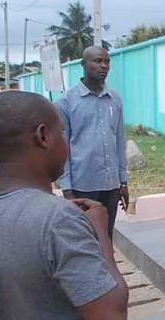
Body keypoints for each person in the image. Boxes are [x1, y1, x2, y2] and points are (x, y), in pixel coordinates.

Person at [0, 91, 129, 319]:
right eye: (63, 132)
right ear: (43, 136)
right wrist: (100, 233)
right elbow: (112, 314)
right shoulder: (59, 220)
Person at [58, 46, 128, 239]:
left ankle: (107, 269)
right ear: (83, 64)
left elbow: (119, 140)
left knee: (107, 236)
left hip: (111, 185)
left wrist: (123, 181)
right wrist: (67, 189)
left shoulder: (115, 100)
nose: (103, 66)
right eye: (97, 61)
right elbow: (63, 147)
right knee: (85, 239)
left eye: (107, 61)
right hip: (83, 185)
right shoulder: (66, 102)